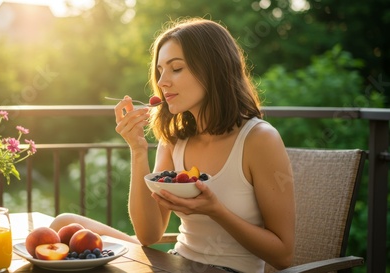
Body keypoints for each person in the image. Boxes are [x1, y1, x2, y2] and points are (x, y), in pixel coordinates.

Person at [52, 17, 295, 273]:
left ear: (214, 70)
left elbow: (283, 256)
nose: (162, 81)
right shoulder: (176, 138)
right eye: (160, 71)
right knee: (64, 223)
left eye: (176, 68)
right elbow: (149, 235)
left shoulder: (259, 139)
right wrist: (137, 150)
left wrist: (216, 211)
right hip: (174, 264)